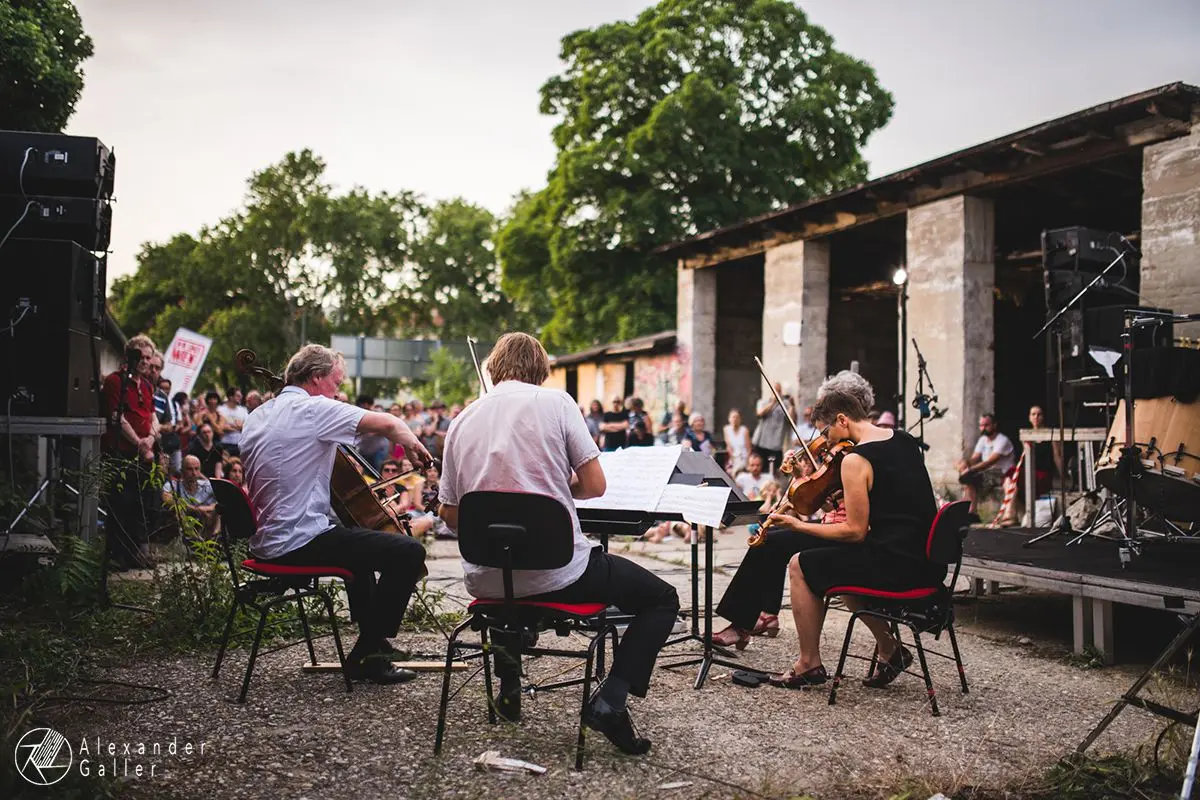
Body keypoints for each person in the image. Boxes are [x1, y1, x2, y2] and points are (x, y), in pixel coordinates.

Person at [438, 332, 679, 756]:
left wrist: (499, 525)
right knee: (662, 598)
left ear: (494, 369)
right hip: (558, 573)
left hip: (487, 581)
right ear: (541, 371)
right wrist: (556, 488)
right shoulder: (557, 403)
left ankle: (509, 692)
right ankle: (611, 701)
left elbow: (450, 514)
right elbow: (594, 485)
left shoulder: (461, 420)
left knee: (511, 569)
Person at [717, 378, 941, 689]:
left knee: (801, 564)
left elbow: (854, 532)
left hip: (894, 566)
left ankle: (808, 664)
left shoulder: (855, 459)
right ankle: (890, 650)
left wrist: (798, 525)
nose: (826, 439)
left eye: (827, 431)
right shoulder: (903, 439)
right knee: (832, 563)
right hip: (924, 562)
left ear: (842, 420)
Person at [241, 344, 432, 685]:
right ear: (316, 378)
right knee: (408, 551)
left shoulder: (259, 415)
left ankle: (374, 649)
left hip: (266, 542)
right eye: (337, 382)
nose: (338, 392)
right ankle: (370, 650)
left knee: (357, 556)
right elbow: (388, 422)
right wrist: (414, 445)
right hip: (297, 542)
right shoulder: (313, 409)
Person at [101, 334, 159, 569]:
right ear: (130, 356)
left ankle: (135, 553)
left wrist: (151, 439)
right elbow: (117, 417)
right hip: (121, 453)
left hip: (143, 454)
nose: (145, 361)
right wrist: (139, 443)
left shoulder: (146, 385)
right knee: (120, 504)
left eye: (148, 357)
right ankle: (117, 555)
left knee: (141, 505)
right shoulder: (116, 382)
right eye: (141, 356)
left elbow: (154, 416)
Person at [955, 412, 1016, 512]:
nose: (983, 428)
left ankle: (972, 511)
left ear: (994, 425)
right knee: (966, 478)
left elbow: (989, 462)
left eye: (986, 425)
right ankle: (971, 512)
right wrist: (964, 463)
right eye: (981, 425)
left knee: (967, 477)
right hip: (989, 473)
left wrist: (969, 469)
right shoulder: (983, 440)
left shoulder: (1002, 440)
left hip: (1002, 473)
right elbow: (975, 458)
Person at [162, 455, 219, 540]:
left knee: (218, 512)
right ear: (182, 471)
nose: (194, 473)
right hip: (183, 526)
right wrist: (196, 509)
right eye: (190, 469)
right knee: (176, 510)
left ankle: (215, 539)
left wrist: (208, 508)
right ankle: (192, 538)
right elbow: (166, 498)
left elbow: (223, 500)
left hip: (207, 525)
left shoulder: (207, 485)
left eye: (196, 469)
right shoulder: (173, 485)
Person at [752, 382, 792, 473]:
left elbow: (791, 419)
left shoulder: (785, 404)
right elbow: (760, 413)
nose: (777, 392)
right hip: (761, 442)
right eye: (775, 390)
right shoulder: (763, 402)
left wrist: (792, 405)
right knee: (760, 469)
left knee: (775, 471)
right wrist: (773, 402)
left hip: (776, 444)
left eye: (779, 390)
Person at [218, 387, 249, 457]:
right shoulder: (220, 410)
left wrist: (230, 426)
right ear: (230, 397)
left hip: (239, 444)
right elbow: (221, 427)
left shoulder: (243, 410)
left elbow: (247, 427)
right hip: (224, 443)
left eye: (241, 396)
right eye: (238, 396)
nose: (240, 397)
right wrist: (237, 427)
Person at [723, 408, 752, 475]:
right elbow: (729, 447)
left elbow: (748, 448)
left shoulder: (744, 430)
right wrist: (732, 461)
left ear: (740, 419)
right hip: (733, 458)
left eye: (737, 417)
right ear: (729, 419)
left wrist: (748, 463)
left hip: (743, 458)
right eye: (733, 417)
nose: (735, 419)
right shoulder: (726, 429)